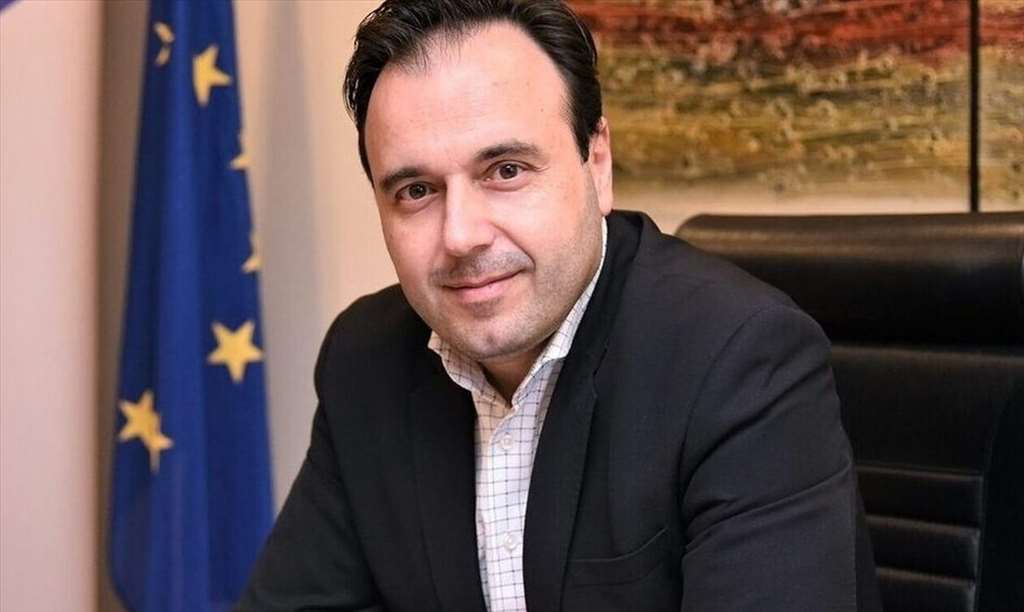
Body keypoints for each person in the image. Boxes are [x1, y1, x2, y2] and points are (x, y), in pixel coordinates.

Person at [239, 1, 881, 610]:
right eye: (416, 190)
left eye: (506, 171)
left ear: (596, 162)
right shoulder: (365, 360)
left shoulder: (740, 361)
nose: (461, 235)